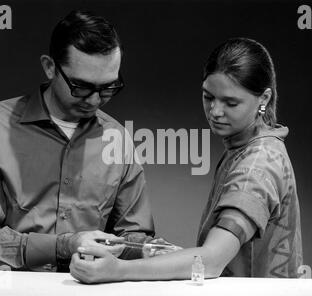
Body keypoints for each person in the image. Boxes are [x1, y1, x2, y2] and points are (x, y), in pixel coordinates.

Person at [69, 38, 303, 282]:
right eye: (208, 97)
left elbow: (211, 261)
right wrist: (168, 257)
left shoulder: (258, 164)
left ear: (264, 99)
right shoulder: (253, 147)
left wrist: (117, 270)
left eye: (230, 102)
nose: (215, 111)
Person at [0, 10, 156, 272]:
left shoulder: (117, 138)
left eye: (108, 87)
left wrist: (144, 249)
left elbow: (133, 234)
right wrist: (63, 246)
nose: (95, 100)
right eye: (81, 87)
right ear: (50, 67)